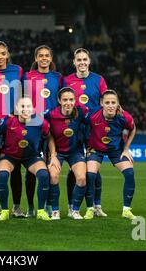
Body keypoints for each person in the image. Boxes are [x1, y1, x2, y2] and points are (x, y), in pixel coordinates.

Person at [63, 47, 108, 218]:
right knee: (74, 169)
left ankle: (97, 205)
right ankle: (70, 206)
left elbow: (106, 101)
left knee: (93, 169)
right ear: (74, 62)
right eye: (79, 60)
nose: (82, 63)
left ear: (89, 61)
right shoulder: (67, 80)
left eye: (84, 60)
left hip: (93, 131)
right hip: (73, 130)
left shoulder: (99, 80)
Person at [0, 41, 25, 217]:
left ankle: (16, 206)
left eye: (3, 54)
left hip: (13, 127)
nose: (0, 57)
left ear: (7, 55)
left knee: (14, 168)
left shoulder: (18, 71)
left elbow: (25, 93)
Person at [83, 89, 137, 220]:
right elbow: (81, 128)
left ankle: (126, 210)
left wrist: (126, 149)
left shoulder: (124, 116)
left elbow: (133, 128)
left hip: (116, 150)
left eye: (113, 102)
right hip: (95, 148)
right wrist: (85, 147)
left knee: (129, 172)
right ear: (101, 103)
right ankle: (90, 209)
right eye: (107, 102)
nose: (111, 105)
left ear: (118, 104)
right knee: (90, 175)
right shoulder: (92, 115)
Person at [0, 96, 51, 221]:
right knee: (3, 175)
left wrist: (53, 154)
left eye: (28, 106)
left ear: (33, 109)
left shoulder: (40, 122)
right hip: (10, 156)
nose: (25, 109)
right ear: (16, 108)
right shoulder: (8, 122)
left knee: (43, 175)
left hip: (31, 157)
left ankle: (41, 211)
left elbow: (49, 137)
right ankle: (5, 211)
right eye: (22, 106)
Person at [22, 45, 63, 217]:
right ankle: (31, 206)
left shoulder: (58, 77)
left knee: (50, 166)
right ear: (36, 59)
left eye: (47, 55)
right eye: (41, 56)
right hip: (33, 126)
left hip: (54, 126)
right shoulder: (28, 77)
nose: (44, 58)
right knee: (33, 167)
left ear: (51, 58)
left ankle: (48, 205)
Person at [45, 87, 87, 220]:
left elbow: (97, 120)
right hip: (58, 152)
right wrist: (52, 155)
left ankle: (74, 210)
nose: (68, 102)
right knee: (53, 176)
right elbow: (47, 134)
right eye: (65, 100)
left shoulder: (81, 112)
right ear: (59, 100)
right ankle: (55, 211)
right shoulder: (50, 114)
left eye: (71, 99)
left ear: (75, 100)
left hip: (75, 152)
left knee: (81, 178)